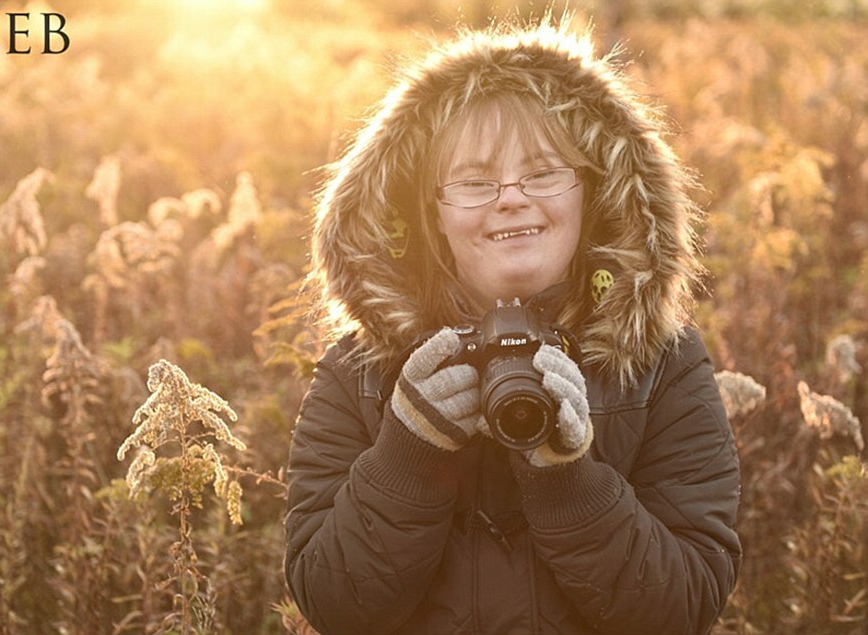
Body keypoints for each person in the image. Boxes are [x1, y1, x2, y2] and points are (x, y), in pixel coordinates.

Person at [283, 18, 741, 635]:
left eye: (544, 173)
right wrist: (408, 453)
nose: (511, 199)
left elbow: (685, 606)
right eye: (475, 183)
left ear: (592, 192)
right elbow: (332, 604)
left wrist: (569, 481)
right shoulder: (362, 373)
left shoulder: (659, 364)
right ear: (431, 212)